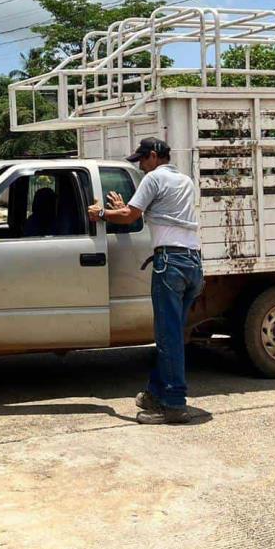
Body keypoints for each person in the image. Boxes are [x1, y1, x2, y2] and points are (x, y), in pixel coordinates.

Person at [88, 137, 203, 425]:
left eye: (142, 159)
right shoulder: (184, 181)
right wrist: (125, 208)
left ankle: (174, 404)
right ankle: (155, 392)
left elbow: (129, 217)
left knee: (168, 338)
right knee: (173, 334)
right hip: (193, 262)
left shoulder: (153, 179)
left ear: (154, 156)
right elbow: (150, 213)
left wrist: (101, 214)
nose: (140, 165)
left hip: (171, 265)